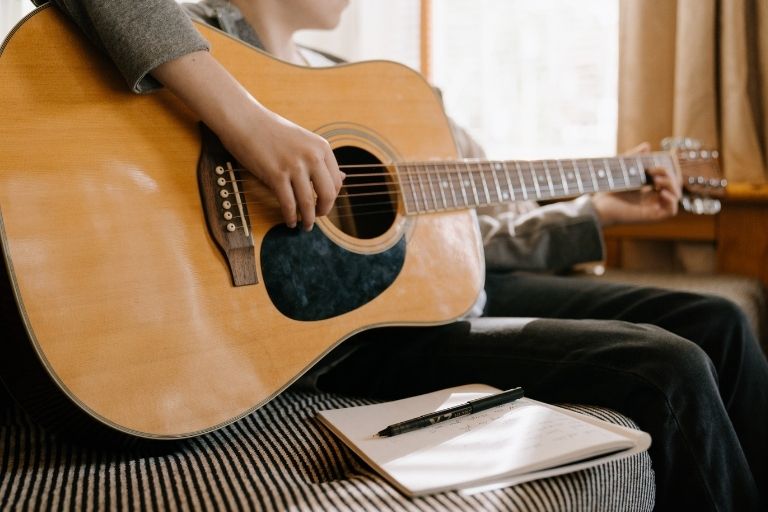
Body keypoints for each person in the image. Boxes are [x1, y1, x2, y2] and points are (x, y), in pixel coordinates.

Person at [24, 1, 768, 511]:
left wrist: (596, 209)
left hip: (429, 297)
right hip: (343, 337)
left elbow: (450, 254)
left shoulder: (373, 89)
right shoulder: (193, 47)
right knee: (668, 369)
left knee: (720, 321)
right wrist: (247, 123)